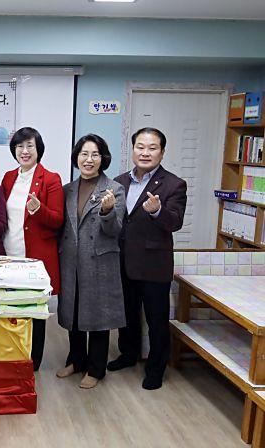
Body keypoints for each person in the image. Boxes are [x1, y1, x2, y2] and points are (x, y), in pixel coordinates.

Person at [107, 127, 187, 390]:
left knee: (156, 321)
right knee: (127, 315)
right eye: (140, 147)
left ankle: (155, 370)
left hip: (154, 266)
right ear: (132, 150)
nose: (145, 152)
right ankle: (128, 355)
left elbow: (175, 222)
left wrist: (158, 211)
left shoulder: (174, 184)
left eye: (152, 148)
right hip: (124, 262)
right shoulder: (119, 181)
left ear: (162, 152)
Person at [56, 134, 126, 389]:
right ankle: (76, 360)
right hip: (70, 261)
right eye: (84, 154)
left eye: (94, 154)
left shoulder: (114, 189)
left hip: (99, 262)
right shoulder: (67, 189)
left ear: (103, 158)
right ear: (76, 158)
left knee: (98, 315)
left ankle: (96, 369)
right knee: (73, 312)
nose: (88, 159)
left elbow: (115, 230)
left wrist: (107, 211)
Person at [1, 127, 64, 371]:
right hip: (9, 254)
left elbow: (57, 220)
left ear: (39, 150)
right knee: (10, 307)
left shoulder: (51, 179)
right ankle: (12, 355)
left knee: (35, 310)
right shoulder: (9, 177)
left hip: (35, 258)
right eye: (20, 146)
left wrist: (39, 210)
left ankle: (33, 362)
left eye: (30, 146)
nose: (24, 151)